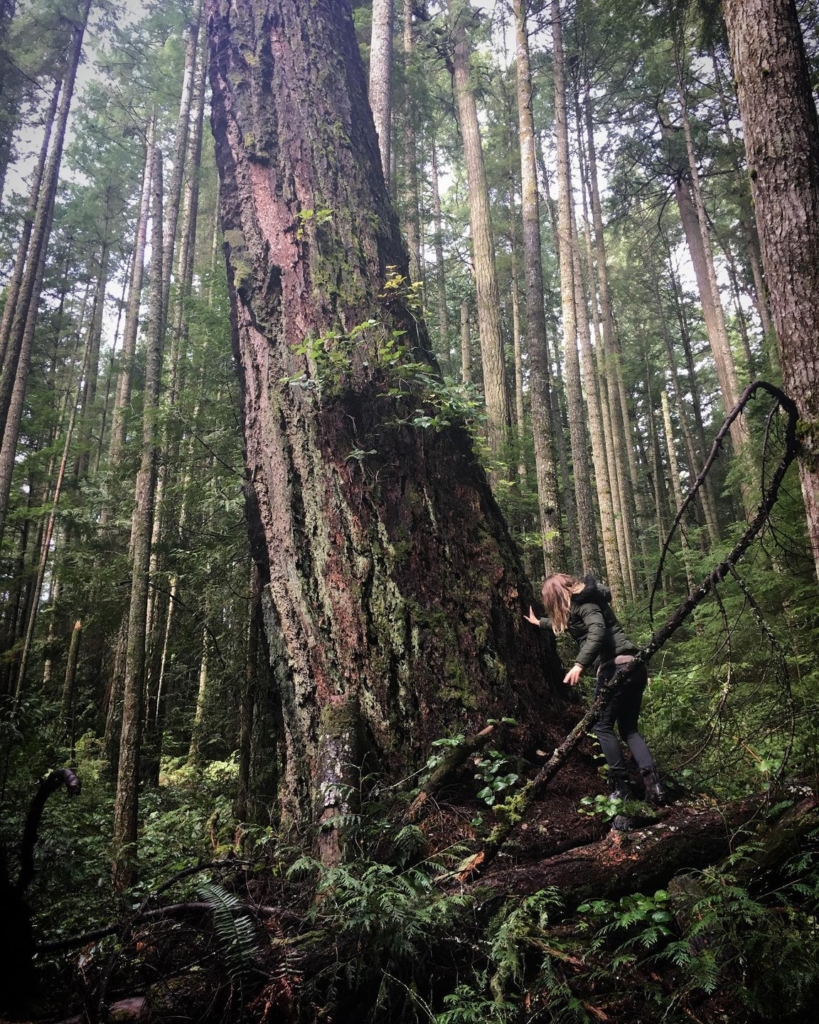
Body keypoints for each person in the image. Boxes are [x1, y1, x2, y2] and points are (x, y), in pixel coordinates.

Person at [525, 573, 666, 808]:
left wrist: (579, 664)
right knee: (629, 729)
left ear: (555, 595)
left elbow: (597, 632)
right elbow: (566, 623)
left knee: (602, 726)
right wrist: (539, 622)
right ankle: (655, 786)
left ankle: (622, 789)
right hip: (634, 666)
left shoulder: (586, 603)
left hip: (616, 668)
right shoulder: (580, 604)